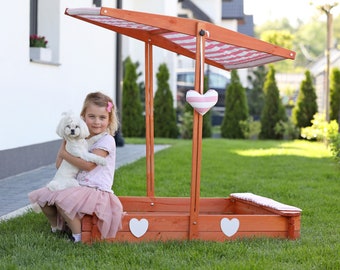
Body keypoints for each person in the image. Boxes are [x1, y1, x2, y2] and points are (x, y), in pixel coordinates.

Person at [29, 92, 124, 243]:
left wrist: (64, 153)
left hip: (96, 189)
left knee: (62, 201)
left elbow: (88, 165)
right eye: (92, 116)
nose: (97, 122)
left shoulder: (107, 140)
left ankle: (78, 237)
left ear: (109, 119)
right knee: (45, 200)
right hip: (78, 185)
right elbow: (59, 165)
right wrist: (65, 145)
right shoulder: (79, 137)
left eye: (102, 118)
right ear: (83, 116)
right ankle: (57, 229)